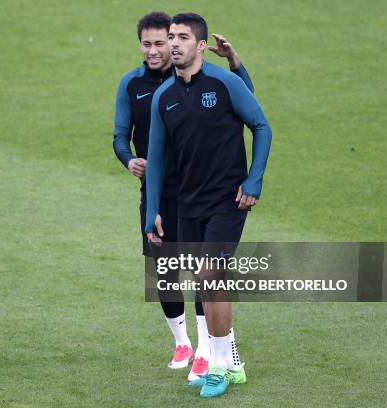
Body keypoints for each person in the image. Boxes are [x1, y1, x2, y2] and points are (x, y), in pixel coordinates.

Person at [113, 11, 255, 379]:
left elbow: (246, 106)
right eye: (150, 43)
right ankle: (184, 343)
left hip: (200, 188)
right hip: (161, 190)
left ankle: (212, 351)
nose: (160, 49)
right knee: (164, 269)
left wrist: (236, 64)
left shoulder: (202, 80)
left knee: (205, 274)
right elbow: (119, 136)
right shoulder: (137, 87)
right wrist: (129, 160)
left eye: (164, 41)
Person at [145, 12, 272, 398]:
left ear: (200, 45)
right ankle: (232, 363)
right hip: (188, 205)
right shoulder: (164, 97)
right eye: (171, 36)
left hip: (228, 201)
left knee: (209, 277)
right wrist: (152, 211)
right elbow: (155, 157)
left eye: (183, 37)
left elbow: (262, 125)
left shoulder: (224, 82)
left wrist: (254, 179)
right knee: (208, 285)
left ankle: (216, 368)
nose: (174, 43)